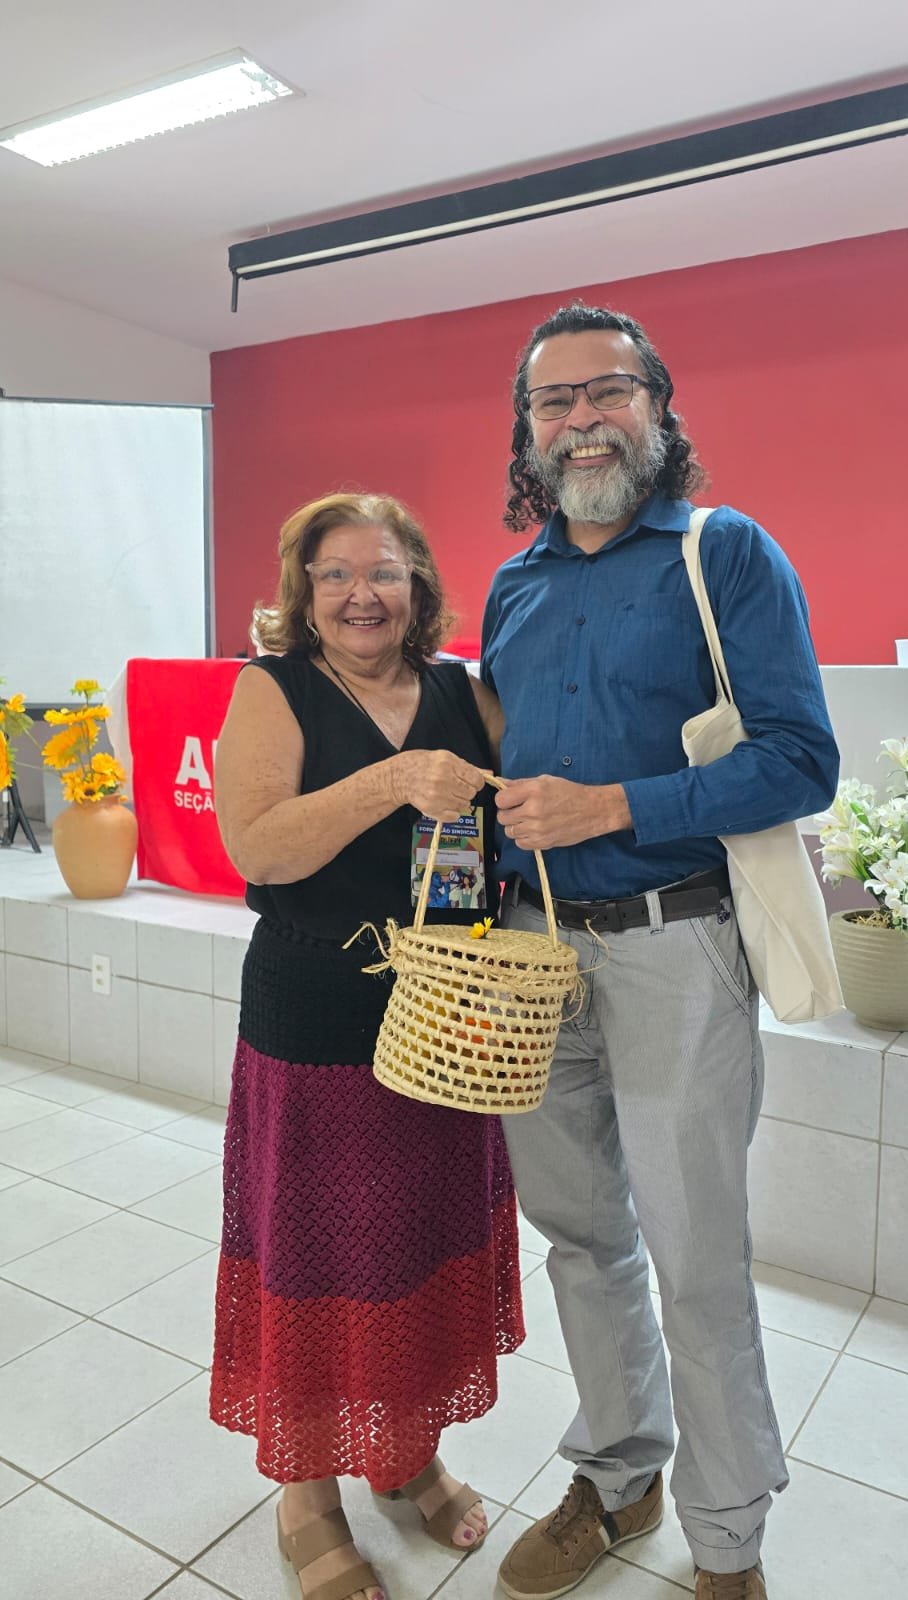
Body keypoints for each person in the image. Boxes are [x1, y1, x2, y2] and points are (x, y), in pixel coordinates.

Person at [480, 305, 839, 1600]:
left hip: (674, 946)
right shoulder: (513, 587)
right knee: (580, 1236)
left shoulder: (723, 553)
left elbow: (801, 759)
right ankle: (619, 1475)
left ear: (658, 406)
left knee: (696, 1258)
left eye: (607, 391)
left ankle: (728, 1540)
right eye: (554, 401)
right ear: (527, 432)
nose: (581, 419)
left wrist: (616, 807)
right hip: (534, 955)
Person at [211, 492, 522, 1600]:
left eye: (383, 571)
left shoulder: (461, 691)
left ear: (416, 583)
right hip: (315, 1019)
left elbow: (522, 806)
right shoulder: (275, 688)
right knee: (316, 1258)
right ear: (302, 591)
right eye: (335, 573)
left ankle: (405, 1452)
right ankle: (306, 1495)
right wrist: (393, 778)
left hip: (447, 1021)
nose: (360, 594)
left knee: (415, 1249)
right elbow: (257, 845)